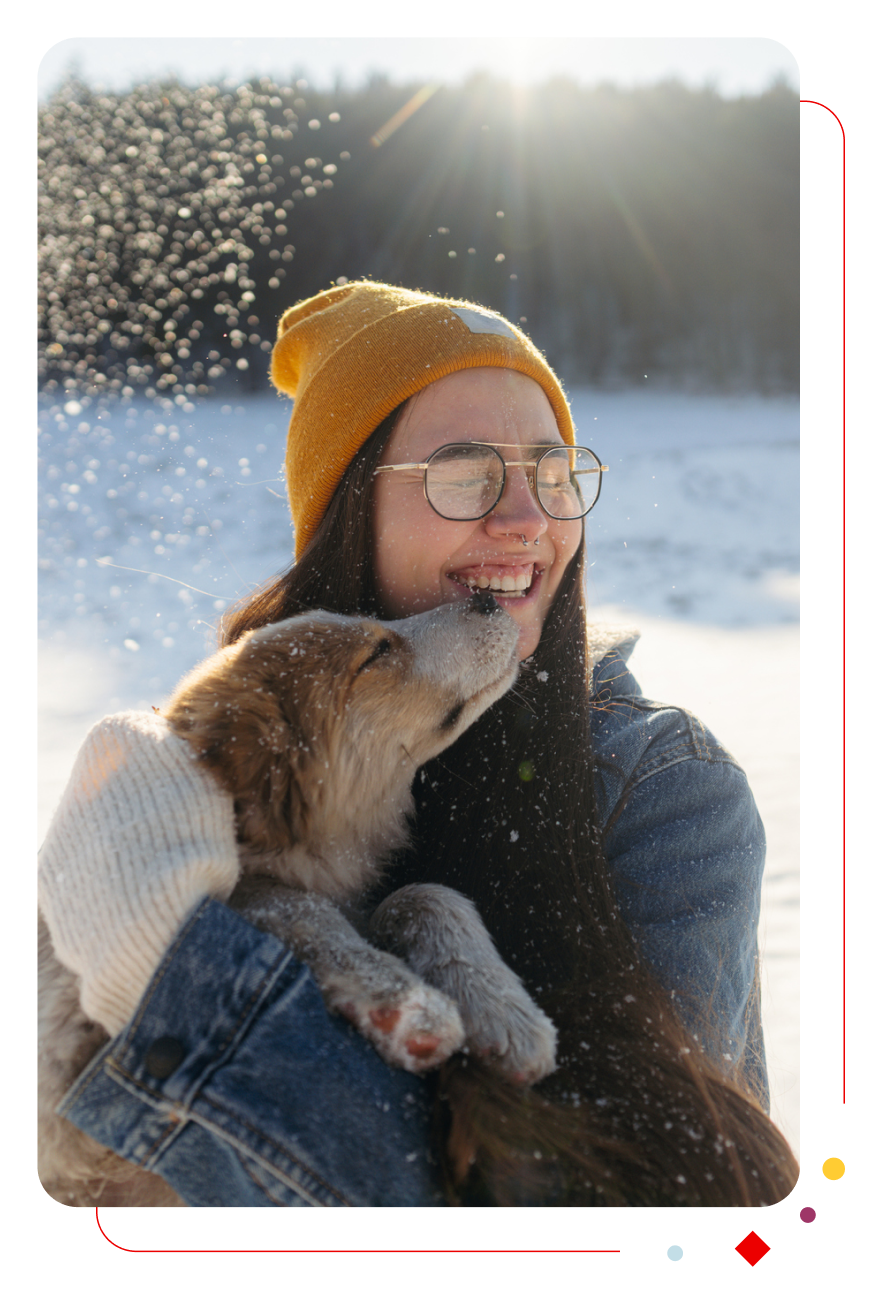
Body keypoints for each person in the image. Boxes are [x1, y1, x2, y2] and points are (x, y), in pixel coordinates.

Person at [38, 281, 798, 1208]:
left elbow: (629, 1203)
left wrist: (178, 975)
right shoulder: (218, 770)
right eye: (467, 473)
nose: (528, 518)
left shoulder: (663, 791)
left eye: (555, 473)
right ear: (350, 510)